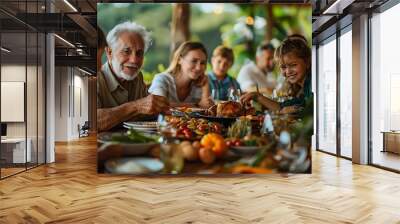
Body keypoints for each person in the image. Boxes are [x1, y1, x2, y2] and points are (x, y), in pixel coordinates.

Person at [97, 21, 169, 132]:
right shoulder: (95, 77)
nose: (134, 60)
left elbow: (146, 112)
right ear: (109, 53)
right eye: (126, 51)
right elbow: (91, 121)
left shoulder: (137, 77)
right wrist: (136, 107)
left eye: (139, 53)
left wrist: (158, 105)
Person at [240, 36, 312, 114]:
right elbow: (281, 107)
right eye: (283, 67)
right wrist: (258, 97)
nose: (288, 71)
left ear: (307, 62)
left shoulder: (312, 83)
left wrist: (290, 109)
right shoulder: (304, 88)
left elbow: (310, 108)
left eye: (293, 65)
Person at [148, 41, 213, 108]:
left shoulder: (199, 84)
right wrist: (196, 105)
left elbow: (206, 108)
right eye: (194, 61)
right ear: (179, 60)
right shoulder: (162, 79)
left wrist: (206, 85)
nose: (198, 68)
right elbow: (157, 106)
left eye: (202, 63)